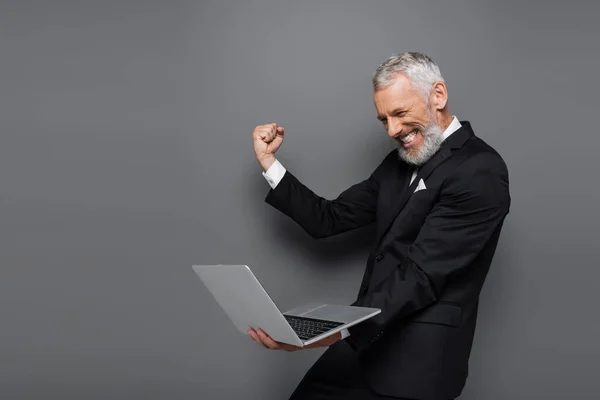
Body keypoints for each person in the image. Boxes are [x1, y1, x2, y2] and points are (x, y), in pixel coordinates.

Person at [248, 52, 510, 400]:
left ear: (438, 95)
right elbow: (329, 218)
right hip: (364, 346)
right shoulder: (399, 162)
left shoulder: (480, 170)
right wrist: (269, 163)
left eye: (399, 114)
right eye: (383, 119)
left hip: (416, 366)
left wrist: (326, 332)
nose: (393, 130)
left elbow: (421, 277)